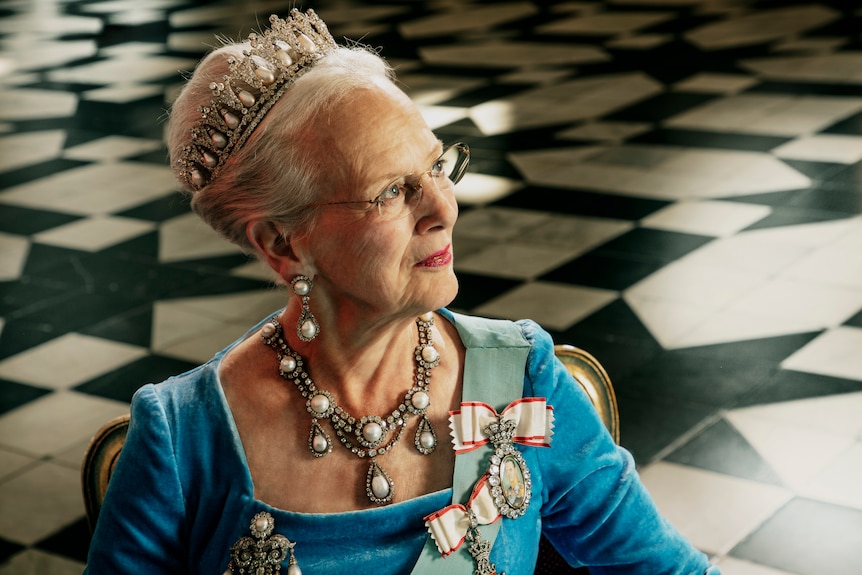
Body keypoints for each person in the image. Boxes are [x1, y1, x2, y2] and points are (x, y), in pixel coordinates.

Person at [84, 9, 720, 575]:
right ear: (283, 244)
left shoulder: (522, 377)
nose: (444, 209)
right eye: (391, 192)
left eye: (437, 167)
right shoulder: (182, 438)